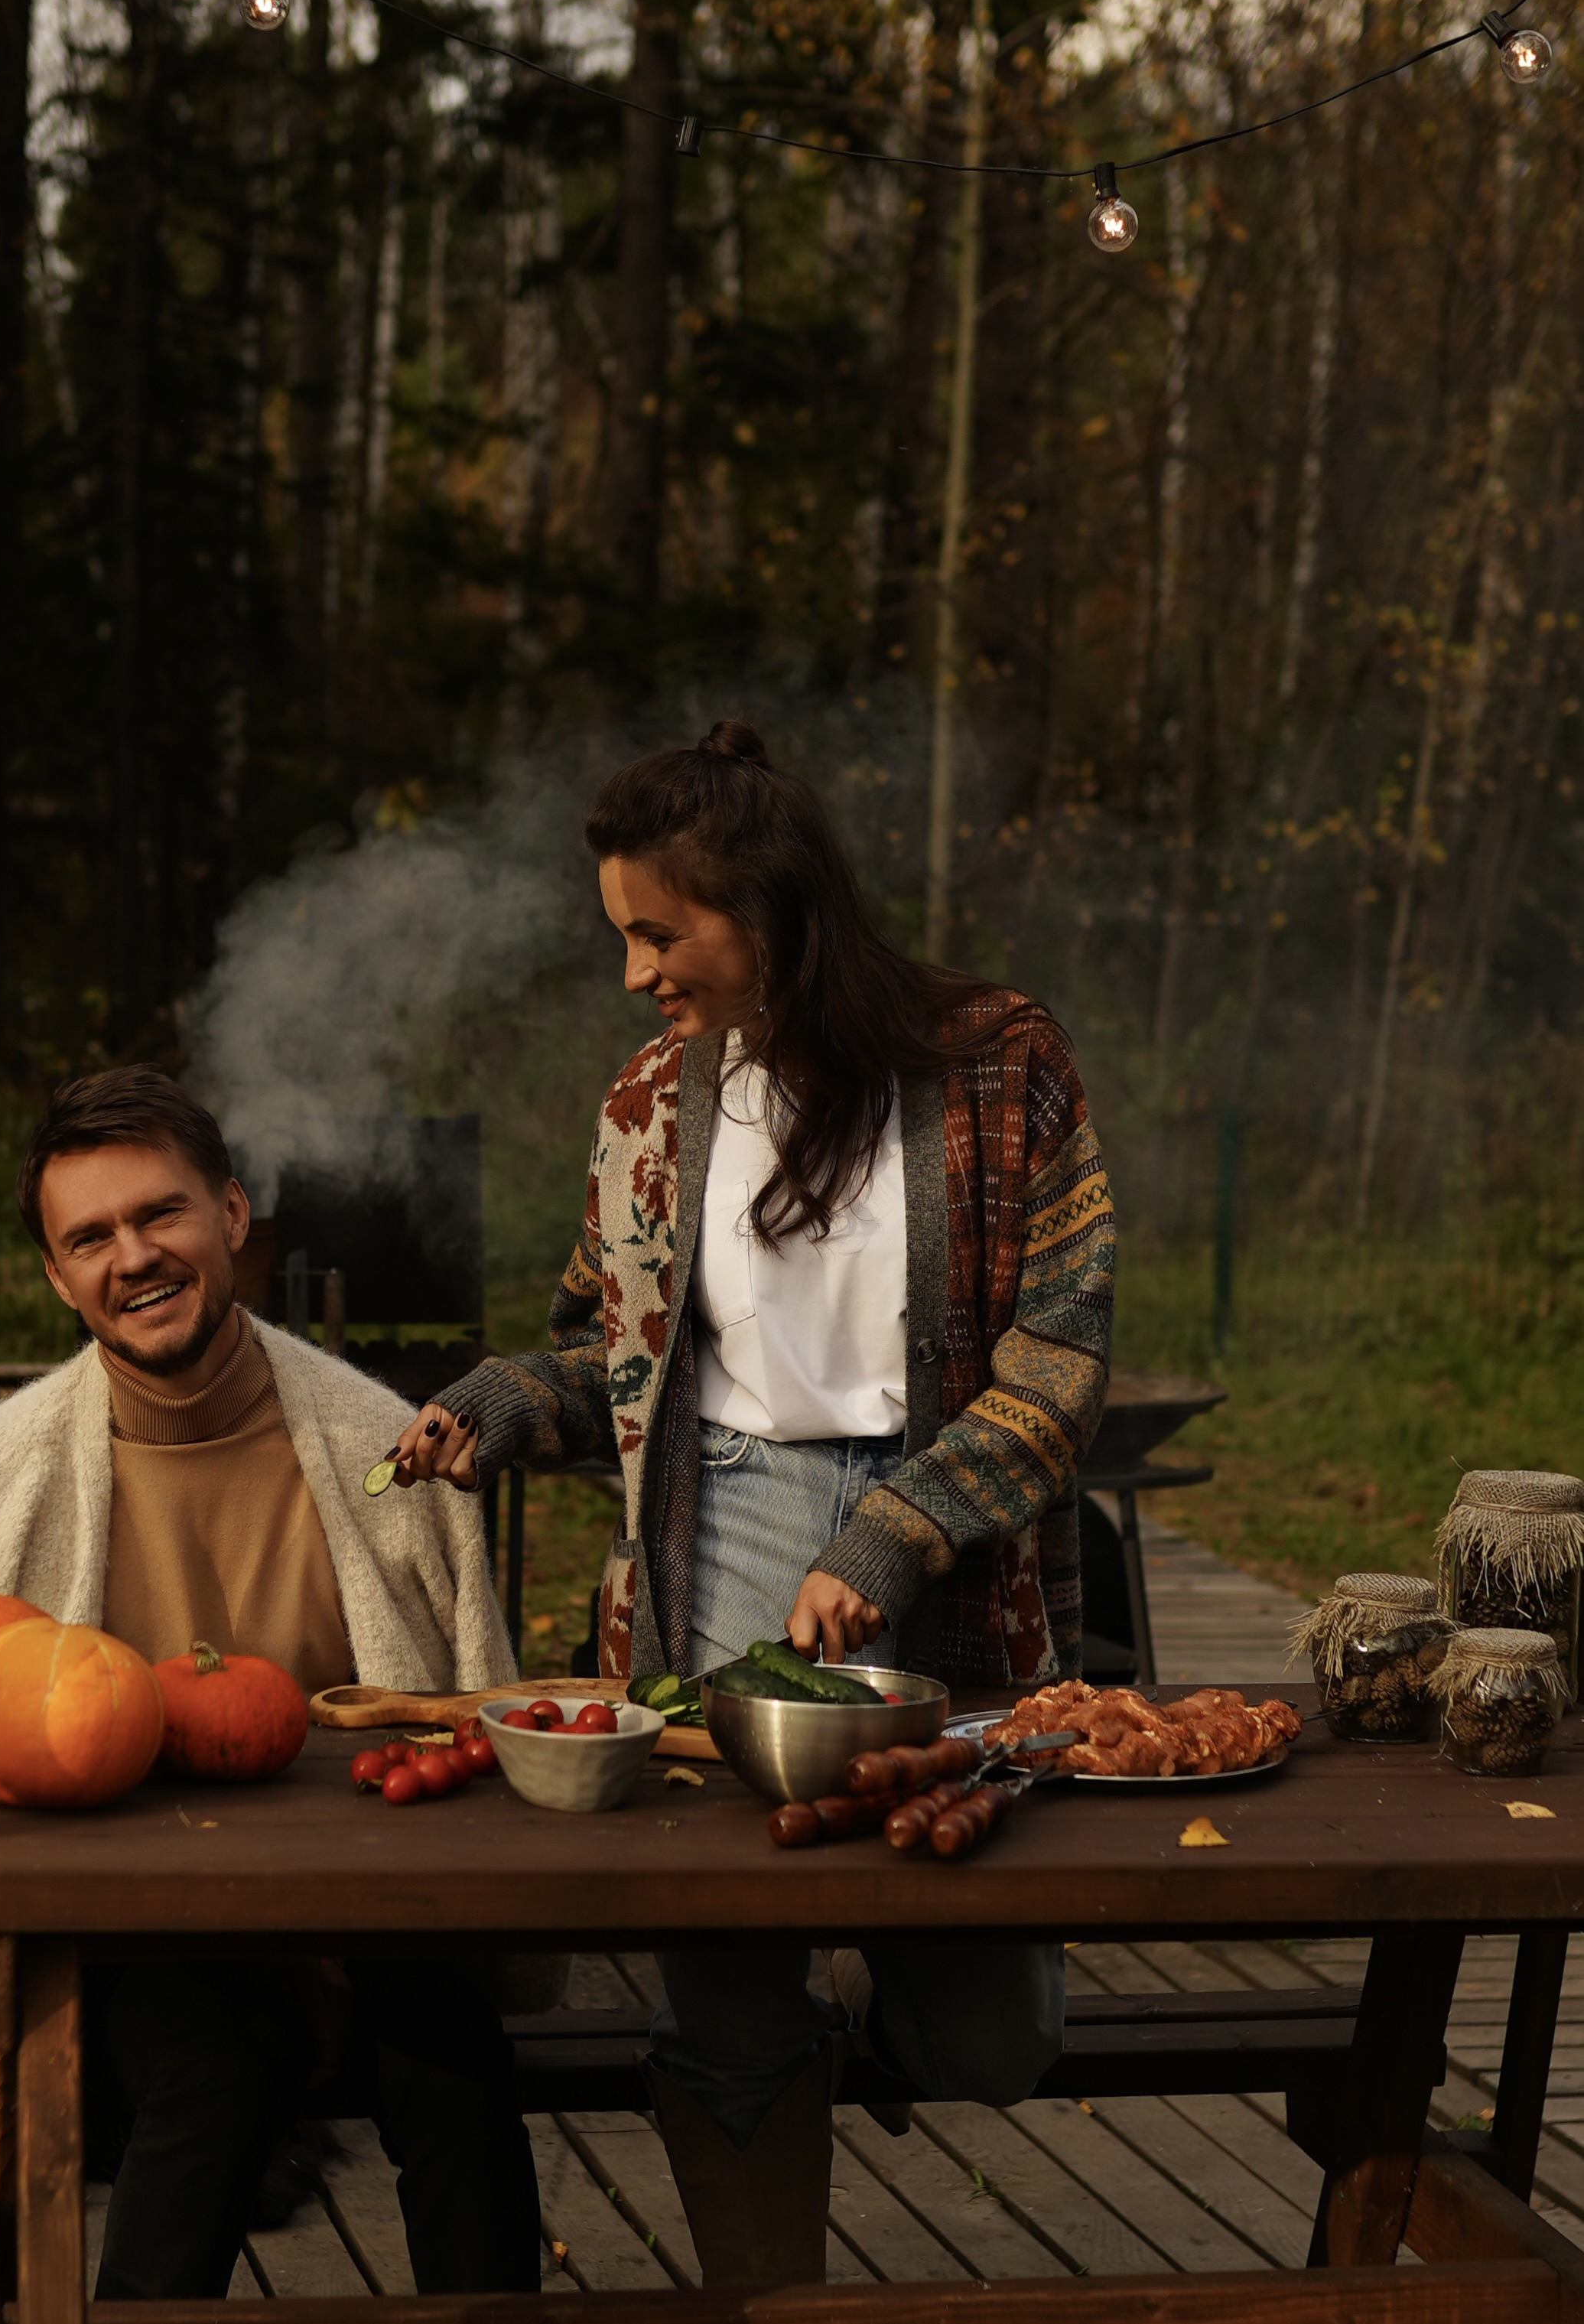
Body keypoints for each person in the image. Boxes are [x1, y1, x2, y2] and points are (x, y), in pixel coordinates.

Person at [385, 718, 1117, 2290]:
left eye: (660, 933)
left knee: (996, 2036)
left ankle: (864, 2016)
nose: (634, 972)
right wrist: (502, 1400)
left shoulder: (1002, 1059)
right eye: (623, 936)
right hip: (715, 1546)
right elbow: (611, 1353)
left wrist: (893, 1529)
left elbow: (1060, 1362)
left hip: (949, 1553)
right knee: (725, 1996)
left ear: (769, 905)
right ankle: (763, 2289)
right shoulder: (649, 1102)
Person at [0, 1068, 539, 2300]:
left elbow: (470, 1705)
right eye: (91, 1236)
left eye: (161, 1213)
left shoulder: (377, 1445)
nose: (134, 1256)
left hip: (366, 1906)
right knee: (218, 2062)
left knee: (456, 2047)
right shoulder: (3, 1476)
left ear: (232, 1215)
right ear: (58, 1276)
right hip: (121, 1936)